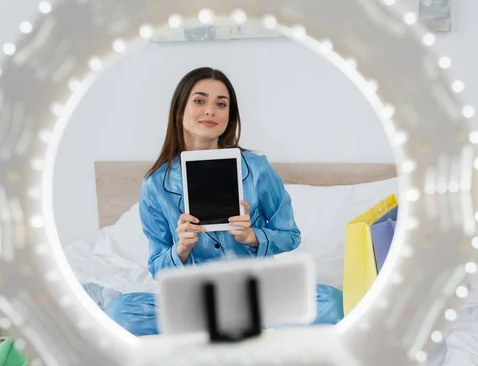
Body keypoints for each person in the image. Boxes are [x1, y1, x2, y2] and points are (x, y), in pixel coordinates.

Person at [105, 67, 343, 336]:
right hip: (194, 299)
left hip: (258, 293)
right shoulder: (156, 185)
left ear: (229, 116)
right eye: (200, 100)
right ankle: (229, 320)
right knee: (119, 314)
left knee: (332, 304)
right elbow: (158, 267)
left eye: (221, 104)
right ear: (179, 110)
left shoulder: (256, 168)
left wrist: (252, 236)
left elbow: (290, 235)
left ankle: (227, 320)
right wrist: (181, 247)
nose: (210, 111)